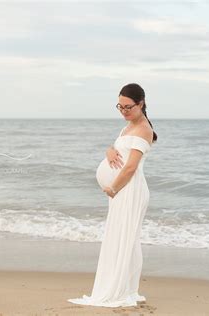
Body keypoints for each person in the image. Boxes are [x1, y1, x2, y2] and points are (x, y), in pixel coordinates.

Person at [67, 83, 158, 307]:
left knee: (125, 239)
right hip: (121, 190)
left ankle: (121, 290)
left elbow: (130, 168)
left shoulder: (144, 129)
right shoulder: (127, 127)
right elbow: (119, 150)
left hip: (129, 190)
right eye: (120, 106)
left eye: (128, 107)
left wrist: (113, 188)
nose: (124, 111)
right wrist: (108, 150)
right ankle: (123, 287)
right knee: (119, 238)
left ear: (141, 104)